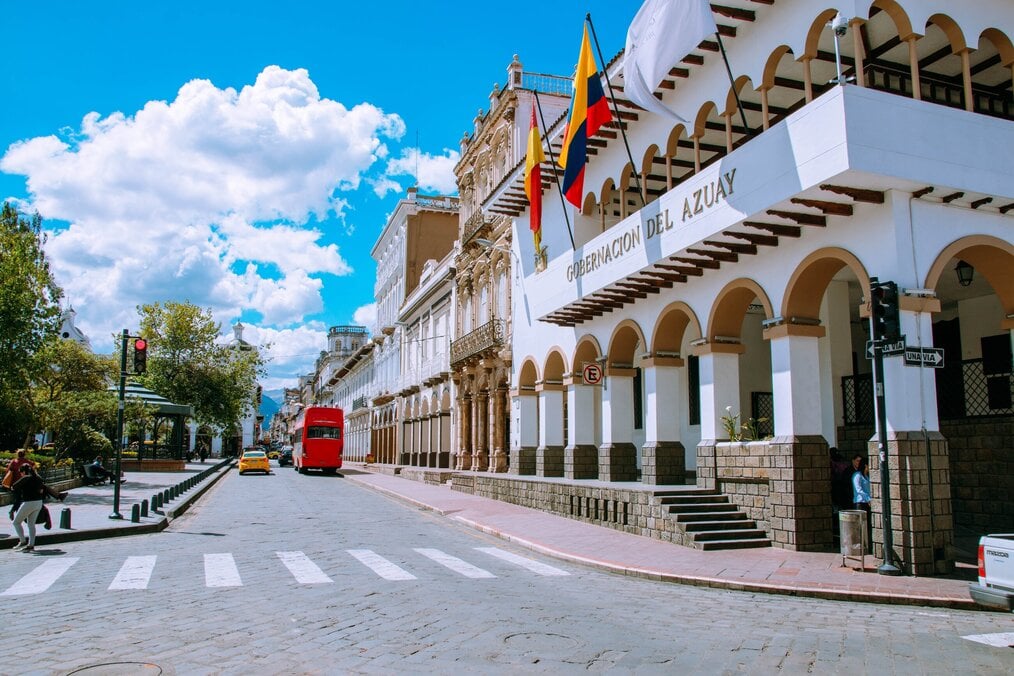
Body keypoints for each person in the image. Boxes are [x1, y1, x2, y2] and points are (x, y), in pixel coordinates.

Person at [10, 464, 65, 552]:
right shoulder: (38, 478)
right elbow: (42, 490)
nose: (21, 474)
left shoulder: (26, 478)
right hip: (38, 503)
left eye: (21, 472)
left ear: (24, 471)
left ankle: (23, 541)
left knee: (16, 522)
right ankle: (31, 545)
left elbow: (14, 487)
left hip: (28, 503)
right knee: (31, 524)